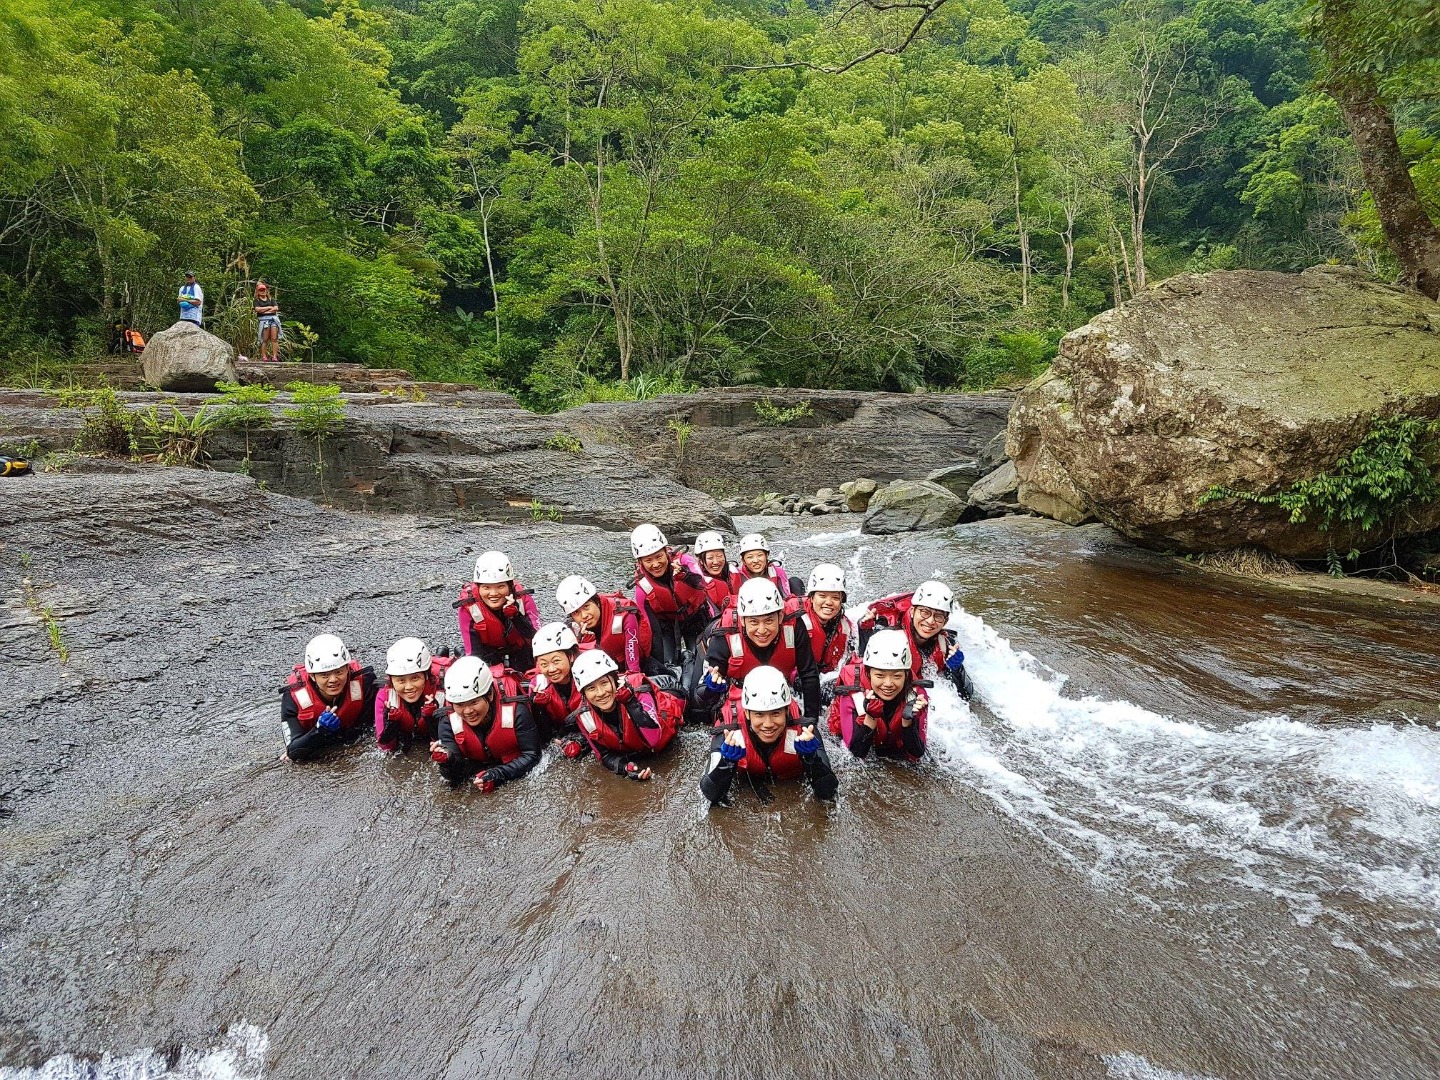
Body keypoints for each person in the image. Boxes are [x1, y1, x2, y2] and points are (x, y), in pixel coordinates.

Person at [691, 578, 821, 725]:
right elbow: (702, 697)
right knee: (697, 713)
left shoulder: (795, 625)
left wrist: (811, 722)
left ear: (780, 617)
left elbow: (809, 674)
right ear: (743, 621)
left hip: (774, 677)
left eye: (768, 621)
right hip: (728, 667)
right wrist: (713, 687)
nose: (762, 630)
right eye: (754, 622)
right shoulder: (725, 633)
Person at [701, 666, 838, 805]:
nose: (768, 724)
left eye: (776, 713)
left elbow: (828, 791)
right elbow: (710, 793)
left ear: (787, 711)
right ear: (747, 713)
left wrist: (811, 758)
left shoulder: (804, 731)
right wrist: (727, 762)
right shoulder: (728, 732)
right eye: (759, 714)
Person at [431, 656, 541, 791]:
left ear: (490, 695)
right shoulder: (447, 719)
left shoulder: (517, 710)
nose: (467, 711)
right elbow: (454, 777)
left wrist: (497, 774)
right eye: (459, 705)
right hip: (476, 762)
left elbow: (532, 755)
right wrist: (446, 761)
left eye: (474, 702)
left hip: (510, 758)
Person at [571, 650, 684, 782]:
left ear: (614, 680)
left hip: (669, 688)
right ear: (583, 693)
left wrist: (631, 702)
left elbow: (654, 740)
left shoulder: (639, 691)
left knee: (690, 693)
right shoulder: (584, 715)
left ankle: (684, 662)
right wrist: (625, 768)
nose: (600, 693)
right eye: (591, 688)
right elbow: (604, 755)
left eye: (604, 683)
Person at [856, 580, 974, 699]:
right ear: (912, 611)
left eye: (938, 616)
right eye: (924, 612)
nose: (930, 621)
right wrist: (865, 632)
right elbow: (867, 672)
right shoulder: (889, 637)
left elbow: (966, 697)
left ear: (945, 621)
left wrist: (957, 669)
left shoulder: (947, 645)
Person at [828, 629, 930, 761]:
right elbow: (855, 752)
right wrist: (870, 717)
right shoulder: (852, 692)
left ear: (907, 675)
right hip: (843, 712)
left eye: (897, 676)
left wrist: (908, 722)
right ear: (868, 674)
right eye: (880, 675)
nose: (888, 684)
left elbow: (917, 753)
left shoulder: (917, 694)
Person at [629, 523, 714, 671]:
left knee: (702, 659)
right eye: (648, 560)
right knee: (667, 664)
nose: (656, 564)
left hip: (695, 618)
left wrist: (684, 575)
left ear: (666, 551)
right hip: (667, 624)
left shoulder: (684, 562)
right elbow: (648, 627)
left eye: (659, 556)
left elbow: (702, 583)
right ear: (640, 562)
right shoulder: (642, 588)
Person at [280, 633, 376, 762]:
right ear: (312, 676)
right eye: (324, 675)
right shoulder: (293, 697)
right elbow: (293, 751)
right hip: (317, 738)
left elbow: (373, 725)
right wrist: (319, 731)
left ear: (348, 669)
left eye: (339, 672)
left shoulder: (365, 682)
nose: (333, 680)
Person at [454, 550, 541, 670]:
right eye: (486, 587)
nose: (493, 594)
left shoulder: (523, 599)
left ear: (510, 586)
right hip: (488, 652)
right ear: (478, 587)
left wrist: (516, 616)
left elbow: (537, 639)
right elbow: (475, 653)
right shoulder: (469, 607)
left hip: (519, 649)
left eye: (500, 586)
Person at [556, 574, 649, 674]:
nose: (584, 615)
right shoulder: (571, 629)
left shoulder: (624, 614)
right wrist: (582, 641)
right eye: (576, 612)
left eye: (586, 607)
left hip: (640, 662)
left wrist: (633, 678)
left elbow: (633, 662)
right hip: (605, 671)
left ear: (597, 602)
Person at [374, 637, 451, 754]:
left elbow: (445, 741)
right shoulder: (384, 696)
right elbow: (385, 746)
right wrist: (391, 721)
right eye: (401, 680)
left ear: (426, 676)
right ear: (391, 680)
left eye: (415, 678)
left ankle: (442, 657)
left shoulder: (442, 690)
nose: (409, 687)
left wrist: (431, 717)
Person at [527, 622, 586, 751]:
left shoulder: (589, 673)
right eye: (544, 664)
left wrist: (581, 741)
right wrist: (536, 705)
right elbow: (539, 728)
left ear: (571, 656)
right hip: (561, 730)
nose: (551, 669)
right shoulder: (538, 685)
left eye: (556, 661)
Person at [801, 563, 853, 677]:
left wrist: (865, 628)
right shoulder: (797, 621)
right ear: (811, 597)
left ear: (841, 601)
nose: (829, 602)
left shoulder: (846, 627)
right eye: (822, 596)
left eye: (835, 597)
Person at [734, 533, 801, 597]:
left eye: (760, 555)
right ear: (743, 561)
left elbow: (787, 598)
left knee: (795, 582)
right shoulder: (736, 576)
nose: (756, 560)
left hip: (774, 606)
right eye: (750, 557)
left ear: (766, 556)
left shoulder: (777, 572)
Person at [694, 530, 738, 610]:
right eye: (710, 558)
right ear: (701, 561)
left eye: (719, 556)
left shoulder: (732, 572)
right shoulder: (695, 581)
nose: (716, 562)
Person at [254, 279, 282, 362]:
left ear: (266, 291)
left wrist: (265, 310)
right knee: (264, 339)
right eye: (260, 290)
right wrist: (270, 308)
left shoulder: (271, 300)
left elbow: (276, 308)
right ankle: (264, 356)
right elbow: (257, 309)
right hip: (264, 321)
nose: (262, 292)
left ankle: (274, 356)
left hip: (273, 320)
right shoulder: (257, 301)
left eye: (264, 290)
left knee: (274, 338)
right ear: (258, 292)